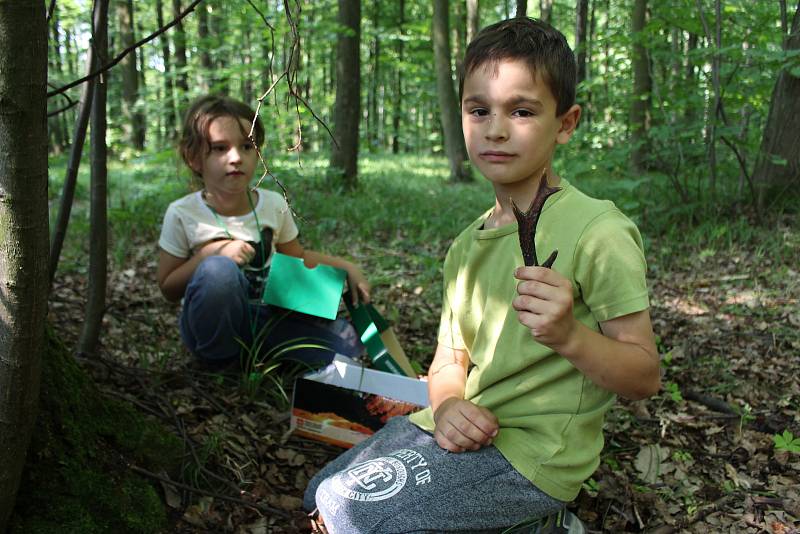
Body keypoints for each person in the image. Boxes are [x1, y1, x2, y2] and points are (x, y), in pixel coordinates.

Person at [303, 17, 660, 533]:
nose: (495, 129)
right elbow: (450, 359)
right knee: (319, 496)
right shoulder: (466, 247)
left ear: (566, 122)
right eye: (479, 110)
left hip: (531, 456)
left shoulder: (598, 232)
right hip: (463, 430)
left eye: (521, 110)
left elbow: (643, 376)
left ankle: (542, 524)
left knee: (349, 516)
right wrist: (447, 405)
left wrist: (568, 336)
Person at [157, 95, 370, 370]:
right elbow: (168, 288)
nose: (236, 158)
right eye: (220, 148)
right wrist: (209, 254)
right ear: (194, 158)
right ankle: (222, 365)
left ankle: (257, 355)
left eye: (247, 146)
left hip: (264, 318)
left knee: (348, 347)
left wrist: (347, 267)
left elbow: (297, 257)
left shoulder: (272, 204)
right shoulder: (183, 213)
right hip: (210, 324)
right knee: (219, 273)